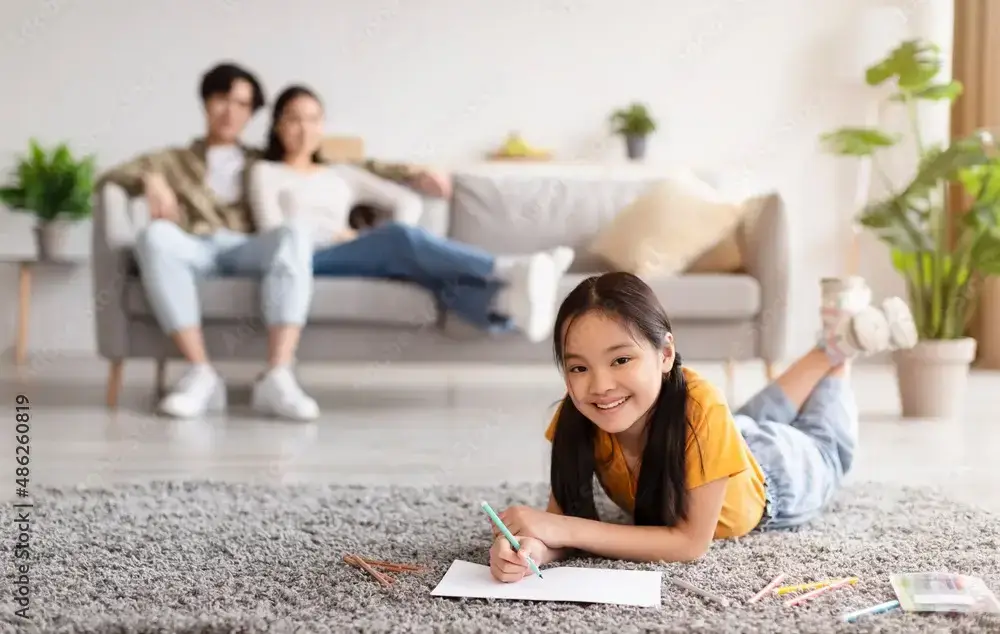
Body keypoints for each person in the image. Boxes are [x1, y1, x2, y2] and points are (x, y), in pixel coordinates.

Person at [485, 272, 918, 582]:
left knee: (826, 445)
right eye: (578, 367)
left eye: (621, 359)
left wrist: (559, 529)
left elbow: (690, 543)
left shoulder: (700, 406)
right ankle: (833, 341)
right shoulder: (576, 416)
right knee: (746, 416)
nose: (599, 385)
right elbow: (557, 523)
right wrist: (531, 550)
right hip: (730, 436)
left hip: (777, 475)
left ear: (665, 354)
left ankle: (841, 354)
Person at [97, 63, 449, 420]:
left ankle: (278, 376)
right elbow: (109, 176)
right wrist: (151, 179)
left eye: (242, 104)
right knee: (154, 236)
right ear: (206, 102)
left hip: (249, 248)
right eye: (223, 100)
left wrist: (412, 171)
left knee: (293, 231)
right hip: (197, 246)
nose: (231, 111)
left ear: (252, 113)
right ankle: (201, 373)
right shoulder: (172, 160)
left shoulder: (263, 161)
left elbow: (350, 165)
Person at [247, 85, 576, 342]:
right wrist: (347, 237)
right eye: (293, 118)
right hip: (300, 259)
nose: (304, 128)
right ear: (278, 125)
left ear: (322, 126)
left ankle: (503, 305)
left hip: (349, 253)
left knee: (424, 270)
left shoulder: (340, 174)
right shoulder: (265, 172)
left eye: (313, 119)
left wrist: (373, 243)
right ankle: (509, 267)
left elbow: (408, 202)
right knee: (399, 239)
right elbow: (273, 233)